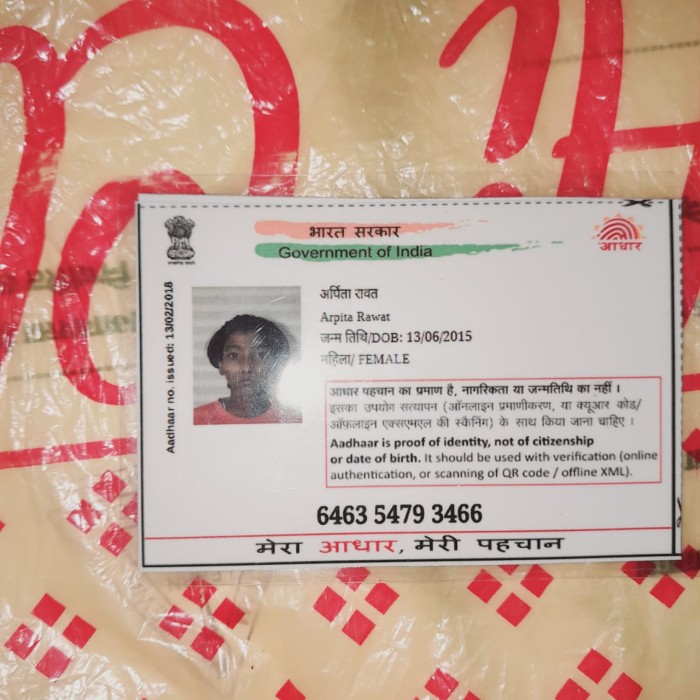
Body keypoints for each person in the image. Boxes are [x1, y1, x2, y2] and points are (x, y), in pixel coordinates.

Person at [194, 314, 300, 424]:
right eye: (233, 355)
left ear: (274, 363)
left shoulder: (293, 420)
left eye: (261, 354)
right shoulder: (197, 419)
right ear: (221, 364)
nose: (246, 368)